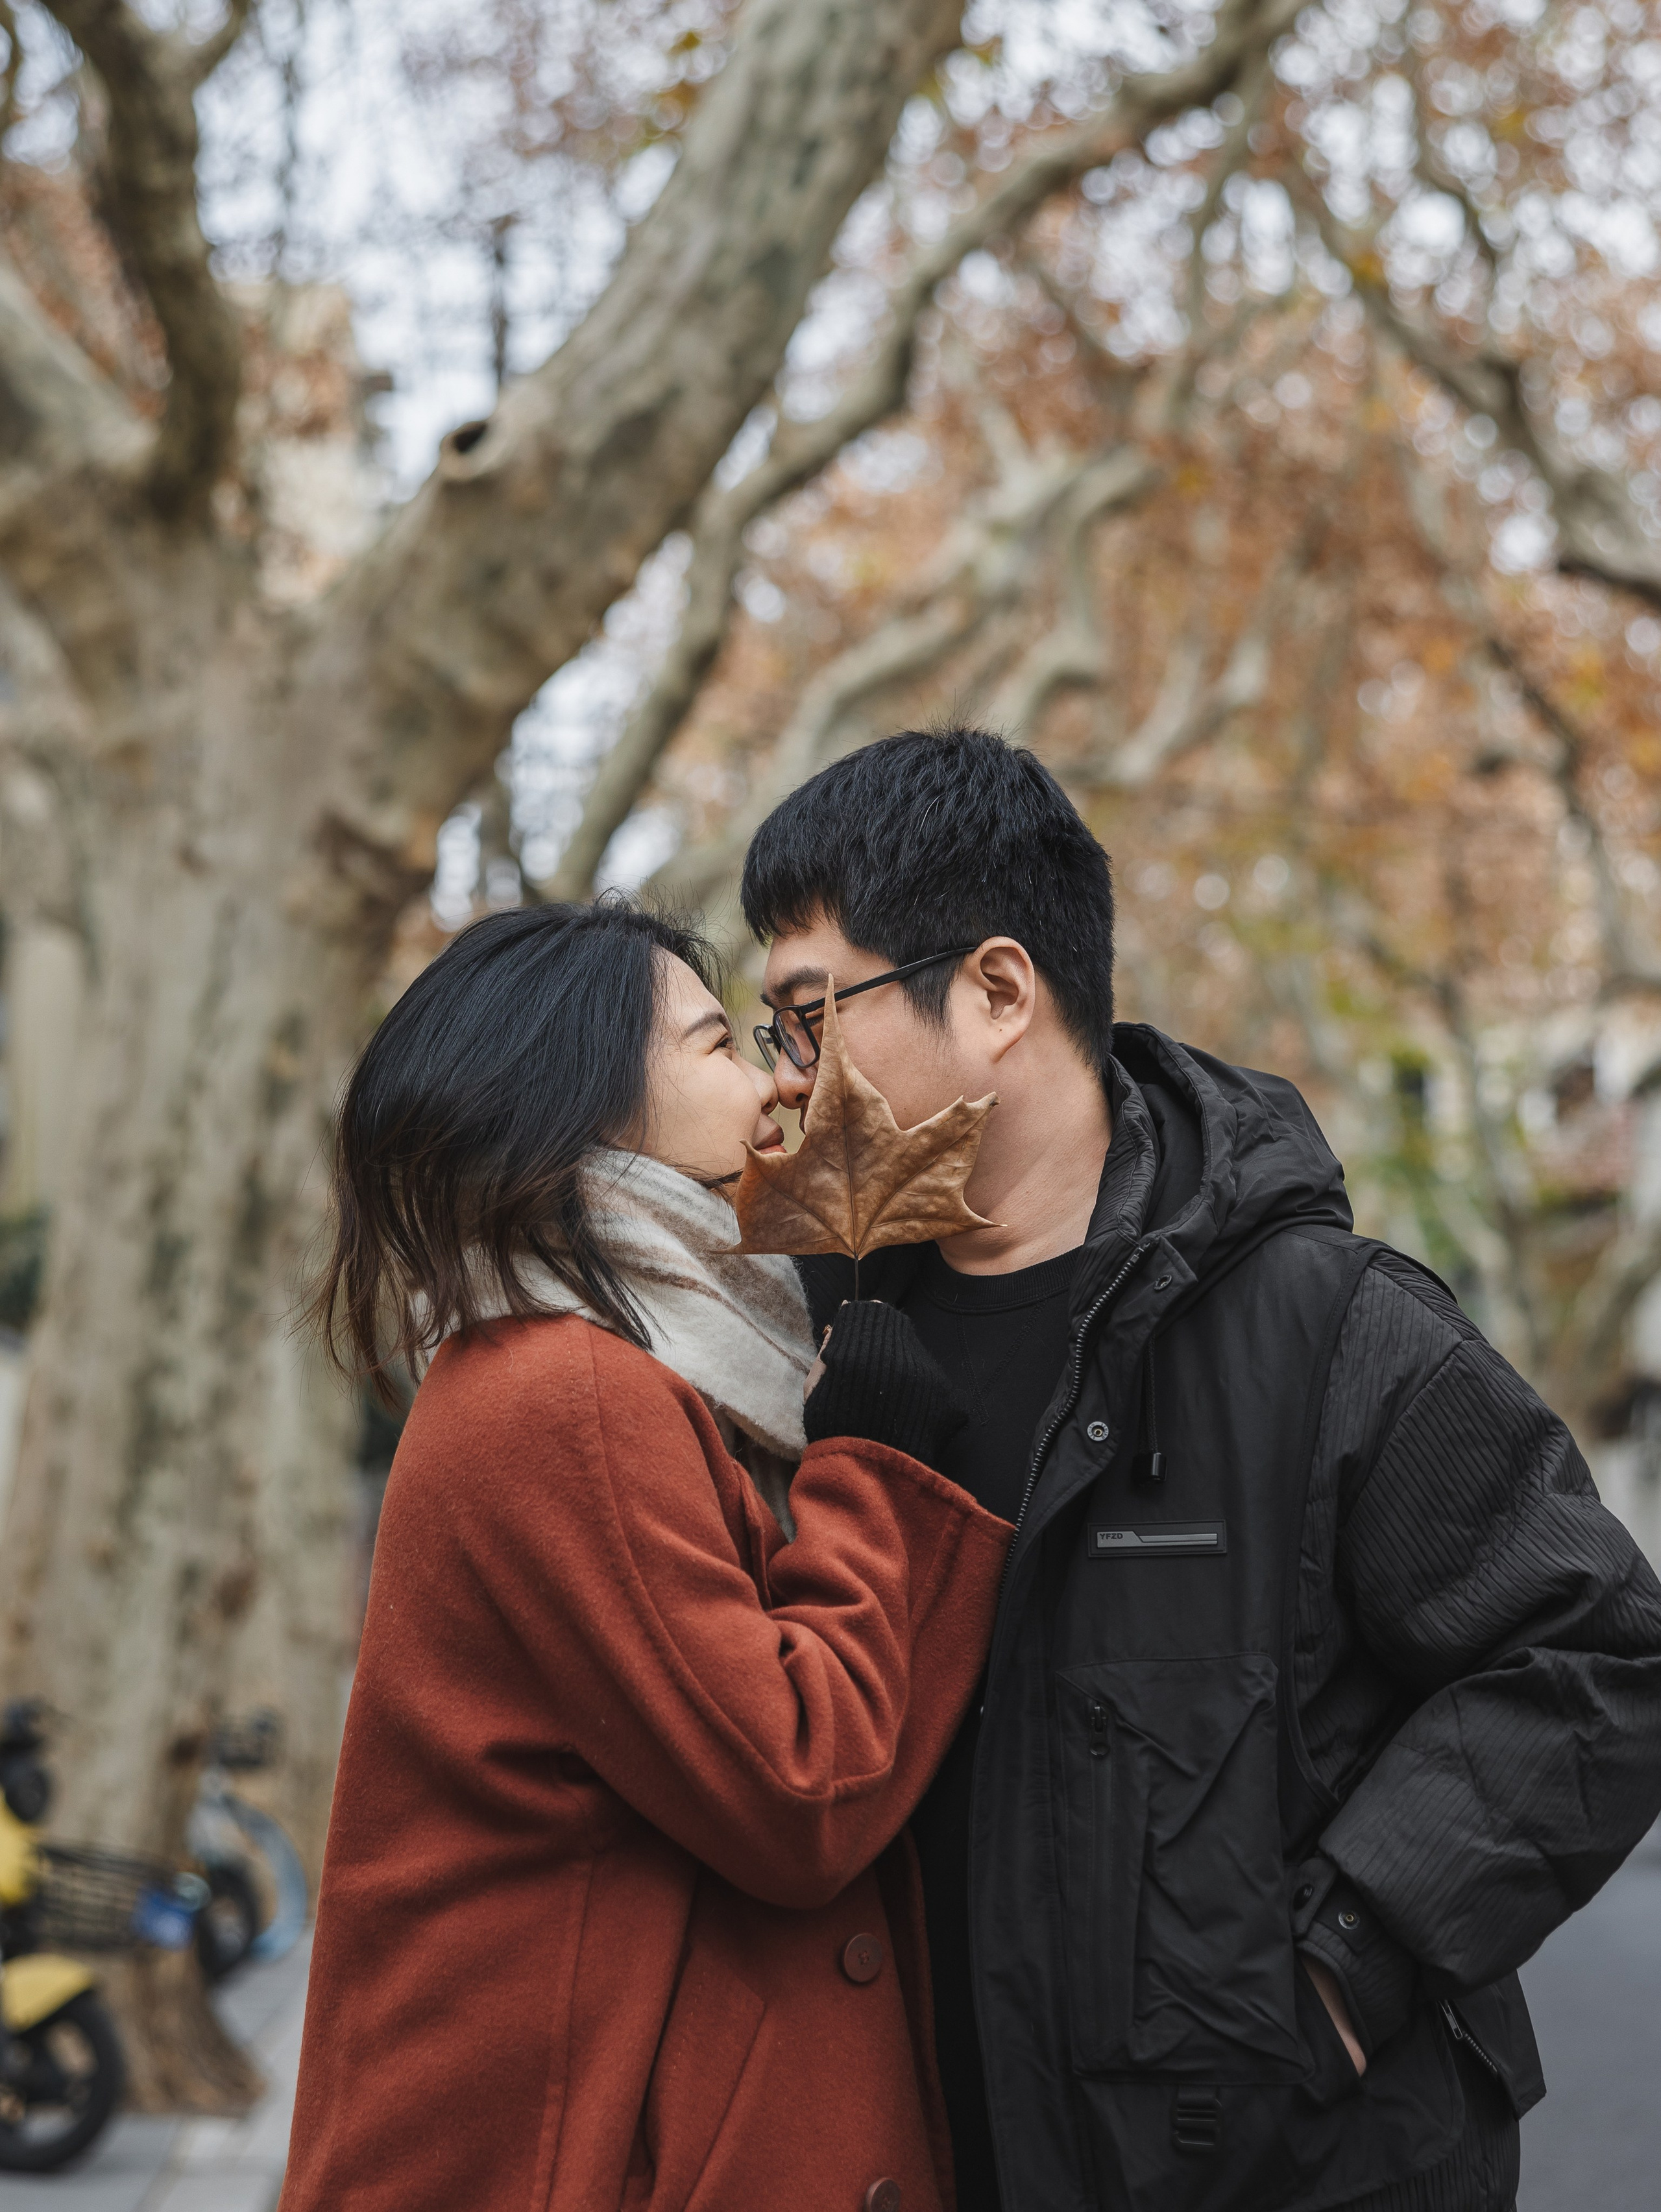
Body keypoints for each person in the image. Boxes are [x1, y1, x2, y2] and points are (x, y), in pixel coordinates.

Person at [740, 726, 1661, 2212]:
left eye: (805, 1012)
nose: (787, 1079)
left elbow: (1597, 1657)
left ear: (991, 993)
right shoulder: (822, 1339)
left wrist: (1342, 1972)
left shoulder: (1326, 1326)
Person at [279, 900, 1012, 2212]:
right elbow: (796, 1789)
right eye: (718, 1041)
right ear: (588, 1103)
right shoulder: (564, 1392)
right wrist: (869, 1472)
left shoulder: (592, 1358)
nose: (777, 1081)